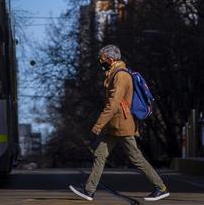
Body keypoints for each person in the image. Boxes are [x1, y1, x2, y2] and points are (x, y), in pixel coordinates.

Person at [69, 45, 169, 202]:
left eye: (102, 59)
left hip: (122, 124)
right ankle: (89, 190)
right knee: (100, 154)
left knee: (136, 158)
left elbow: (114, 103)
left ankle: (160, 187)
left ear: (110, 59)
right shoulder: (114, 73)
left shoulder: (121, 76)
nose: (101, 62)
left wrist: (98, 124)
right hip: (115, 125)